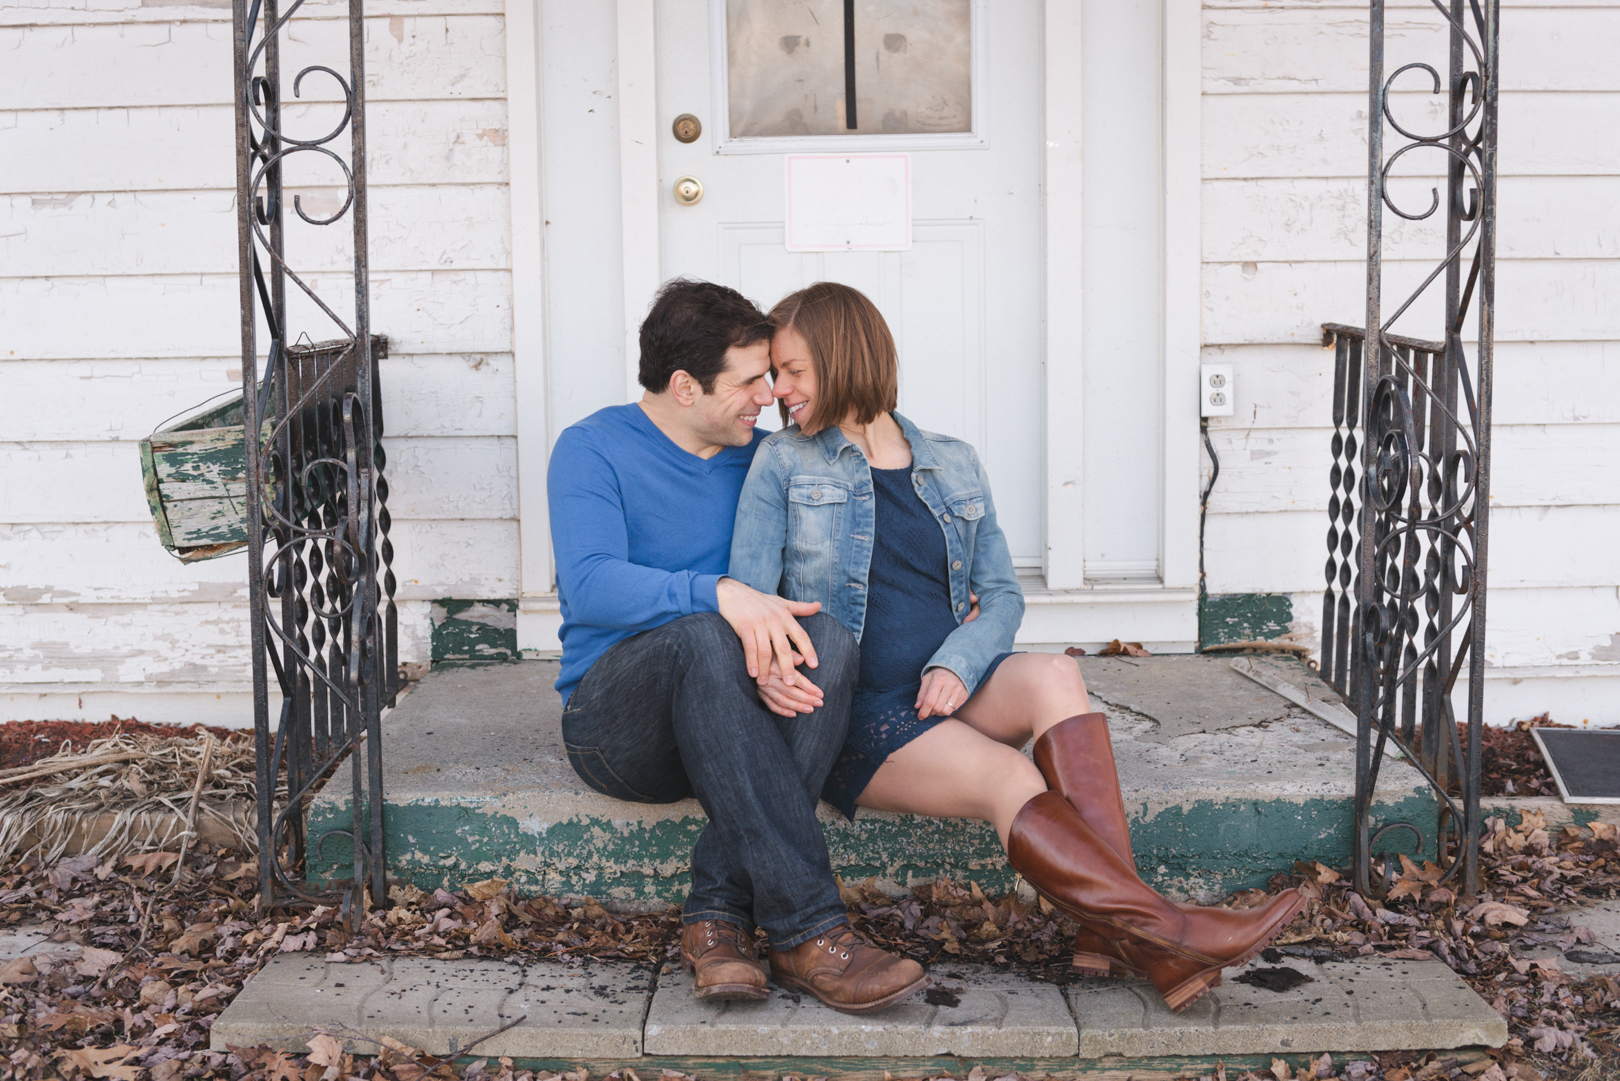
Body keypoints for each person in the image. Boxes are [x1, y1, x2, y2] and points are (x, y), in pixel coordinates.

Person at [728, 282, 1305, 1013]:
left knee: (1055, 674)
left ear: (843, 357)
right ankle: (1169, 934)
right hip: (861, 714)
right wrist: (773, 671)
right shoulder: (783, 461)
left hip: (948, 686)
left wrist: (958, 660)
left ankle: (1114, 931)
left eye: (792, 370)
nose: (778, 389)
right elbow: (752, 599)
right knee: (1009, 777)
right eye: (775, 373)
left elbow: (1001, 595)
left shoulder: (953, 461)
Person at [546, 279, 928, 1015]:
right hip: (618, 725)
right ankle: (810, 929)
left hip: (730, 720)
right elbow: (591, 584)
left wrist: (954, 597)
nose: (772, 395)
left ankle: (716, 919)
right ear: (685, 386)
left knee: (827, 640)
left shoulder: (769, 457)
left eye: (775, 376)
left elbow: (852, 550)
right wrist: (717, 590)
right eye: (751, 380)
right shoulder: (592, 448)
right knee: (701, 633)